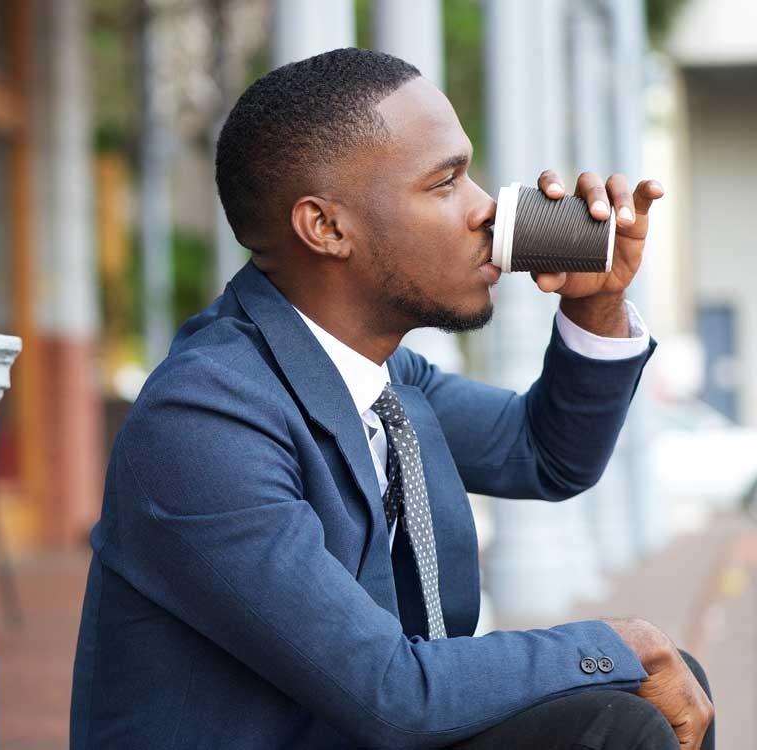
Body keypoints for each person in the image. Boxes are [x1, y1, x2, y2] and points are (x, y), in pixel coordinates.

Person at [69, 48, 714, 749]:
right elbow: (389, 692)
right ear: (327, 227)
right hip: (355, 720)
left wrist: (598, 307)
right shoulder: (203, 419)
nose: (490, 211)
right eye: (445, 184)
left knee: (664, 684)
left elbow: (544, 455)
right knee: (615, 715)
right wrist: (618, 642)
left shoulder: (384, 377)